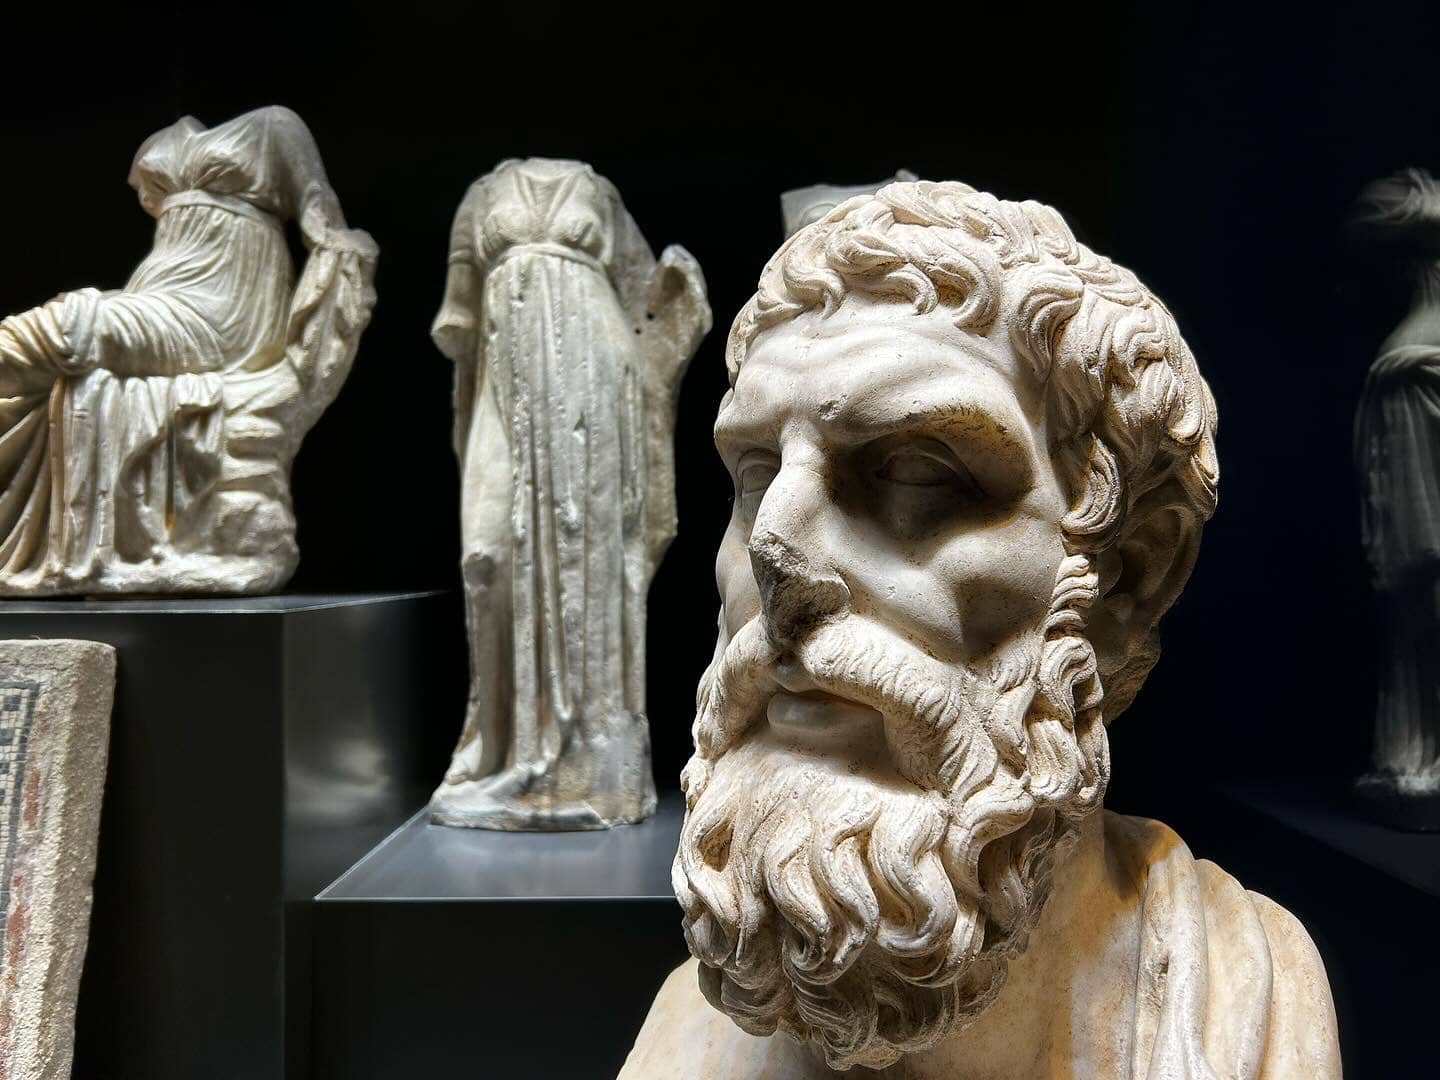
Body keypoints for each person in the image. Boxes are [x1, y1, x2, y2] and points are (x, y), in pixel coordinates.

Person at [622, 180, 1340, 1078]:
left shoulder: (1244, 1002)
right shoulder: (679, 1038)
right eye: (756, 476)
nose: (776, 554)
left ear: (1127, 572)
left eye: (918, 474)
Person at [430, 159, 709, 830]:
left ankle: (589, 769)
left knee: (587, 559)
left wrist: (679, 285)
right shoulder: (480, 195)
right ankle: (497, 748)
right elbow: (460, 328)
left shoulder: (598, 191)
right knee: (486, 559)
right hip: (505, 378)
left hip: (593, 376)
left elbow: (644, 296)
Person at [0, 105, 376, 594]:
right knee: (49, 366)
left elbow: (321, 219)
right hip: (159, 287)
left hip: (225, 302)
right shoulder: (164, 138)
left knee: (63, 328)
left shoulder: (275, 126)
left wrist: (335, 296)